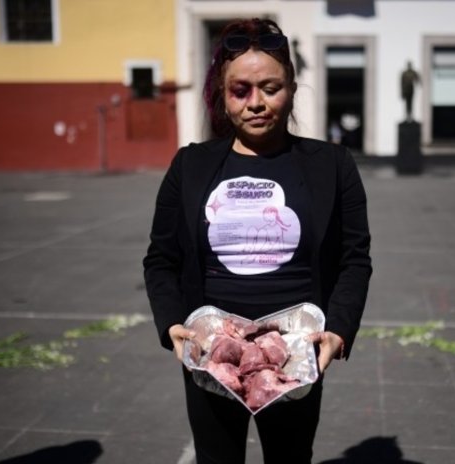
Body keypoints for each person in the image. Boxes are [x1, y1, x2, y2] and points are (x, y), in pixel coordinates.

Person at [143, 17, 372, 464]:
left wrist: (338, 330)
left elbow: (354, 259)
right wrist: (171, 324)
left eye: (270, 88)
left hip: (294, 354)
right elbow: (161, 259)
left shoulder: (332, 165)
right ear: (222, 95)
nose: (256, 103)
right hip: (213, 352)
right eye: (240, 90)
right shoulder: (190, 166)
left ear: (292, 88)